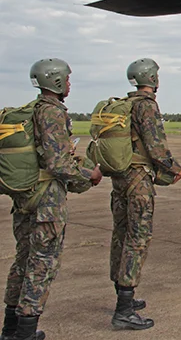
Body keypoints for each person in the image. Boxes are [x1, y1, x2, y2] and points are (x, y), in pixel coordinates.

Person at [2, 59, 102, 340]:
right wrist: (89, 174)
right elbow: (59, 164)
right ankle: (26, 331)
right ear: (56, 82)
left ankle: (9, 329)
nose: (69, 83)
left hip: (25, 197)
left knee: (22, 260)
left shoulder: (30, 111)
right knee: (42, 262)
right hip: (46, 201)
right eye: (67, 79)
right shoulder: (51, 113)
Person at [110, 58, 181, 330]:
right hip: (139, 181)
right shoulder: (146, 106)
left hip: (120, 180)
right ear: (152, 79)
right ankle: (124, 310)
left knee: (121, 234)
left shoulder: (123, 105)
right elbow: (156, 146)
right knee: (137, 239)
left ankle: (122, 295)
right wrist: (174, 168)